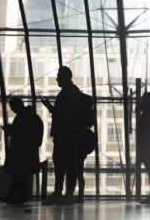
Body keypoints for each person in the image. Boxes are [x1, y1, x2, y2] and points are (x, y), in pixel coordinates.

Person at [41, 66, 84, 205]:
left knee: (63, 164)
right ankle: (65, 193)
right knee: (66, 163)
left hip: (66, 134)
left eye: (59, 75)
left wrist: (51, 109)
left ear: (65, 76)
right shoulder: (71, 92)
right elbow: (66, 114)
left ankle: (63, 193)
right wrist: (50, 107)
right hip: (68, 134)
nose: (57, 78)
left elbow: (66, 115)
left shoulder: (68, 92)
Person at [4, 97, 43, 205]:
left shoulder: (22, 118)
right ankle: (17, 196)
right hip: (28, 151)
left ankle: (16, 196)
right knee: (21, 174)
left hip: (21, 151)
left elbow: (20, 135)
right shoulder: (32, 117)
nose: (12, 109)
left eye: (12, 107)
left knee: (19, 174)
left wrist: (10, 131)